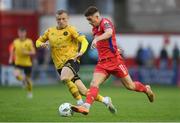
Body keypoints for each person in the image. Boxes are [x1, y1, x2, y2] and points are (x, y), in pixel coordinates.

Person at [71, 6, 155, 115]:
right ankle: (86, 107)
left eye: (90, 19)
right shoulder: (94, 29)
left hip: (115, 61)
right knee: (94, 83)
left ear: (97, 17)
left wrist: (97, 39)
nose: (89, 22)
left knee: (130, 86)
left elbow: (109, 33)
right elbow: (105, 43)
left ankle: (146, 89)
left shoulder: (105, 22)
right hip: (102, 63)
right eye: (88, 20)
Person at [36, 10, 116, 113]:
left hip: (72, 60)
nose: (61, 21)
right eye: (58, 19)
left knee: (64, 77)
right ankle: (105, 100)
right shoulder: (49, 31)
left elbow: (84, 41)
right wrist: (41, 44)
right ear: (56, 20)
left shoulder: (71, 30)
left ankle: (80, 103)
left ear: (67, 19)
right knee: (84, 91)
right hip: (59, 66)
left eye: (63, 19)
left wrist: (81, 52)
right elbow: (38, 41)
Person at [8, 27, 36, 98]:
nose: (21, 34)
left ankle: (30, 93)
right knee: (16, 75)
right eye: (20, 33)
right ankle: (24, 80)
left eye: (23, 32)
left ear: (25, 33)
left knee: (28, 80)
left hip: (27, 64)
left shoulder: (29, 41)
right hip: (18, 63)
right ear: (18, 33)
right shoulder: (15, 42)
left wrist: (26, 52)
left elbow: (33, 52)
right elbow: (12, 51)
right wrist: (11, 58)